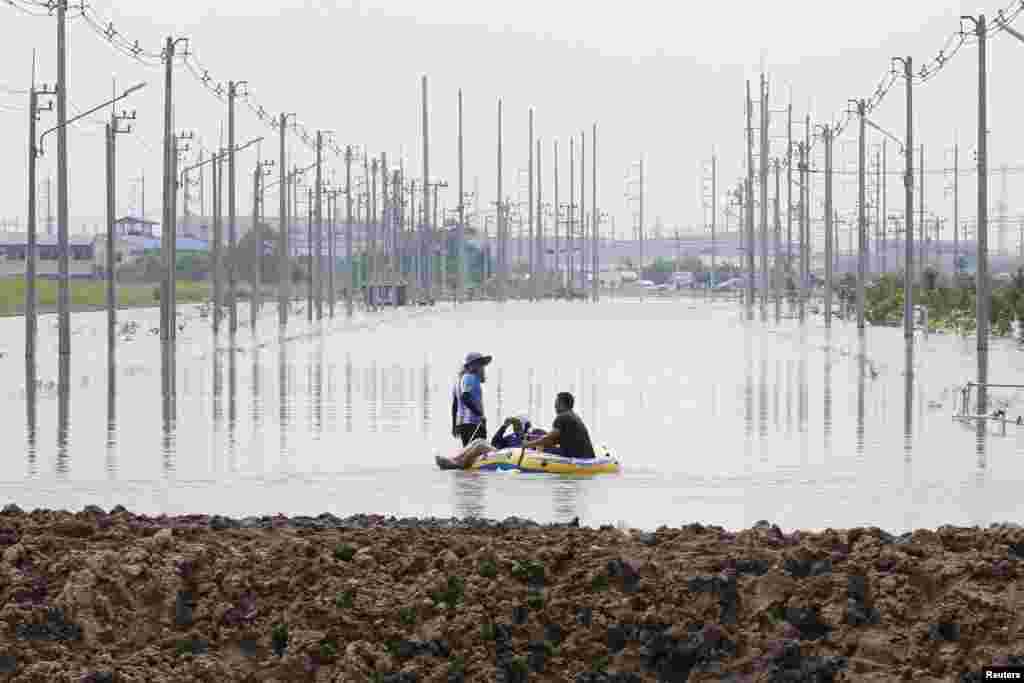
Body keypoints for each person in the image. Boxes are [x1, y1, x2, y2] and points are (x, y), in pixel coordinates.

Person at [522, 391, 596, 460]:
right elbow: (555, 440)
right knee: (540, 438)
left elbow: (547, 439)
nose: (555, 406)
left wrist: (527, 445)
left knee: (541, 447)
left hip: (576, 457)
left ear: (562, 404)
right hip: (588, 456)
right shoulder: (574, 416)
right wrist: (540, 441)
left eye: (556, 403)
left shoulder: (562, 417)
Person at [451, 352, 492, 447]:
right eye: (481, 365)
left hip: (463, 425)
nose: (483, 368)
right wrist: (480, 414)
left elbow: (455, 406)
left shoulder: (459, 381)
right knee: (477, 454)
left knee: (469, 454)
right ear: (473, 366)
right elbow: (465, 397)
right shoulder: (470, 377)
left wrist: (454, 426)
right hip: (473, 424)